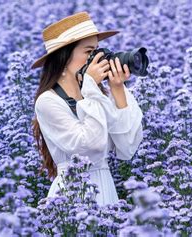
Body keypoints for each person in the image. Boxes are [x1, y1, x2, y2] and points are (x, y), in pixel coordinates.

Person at [30, 11, 143, 206]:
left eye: (98, 51)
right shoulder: (48, 101)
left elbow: (127, 147)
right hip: (73, 195)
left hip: (105, 189)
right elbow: (91, 146)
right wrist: (91, 88)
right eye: (89, 52)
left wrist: (117, 89)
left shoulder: (96, 96)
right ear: (64, 58)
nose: (97, 58)